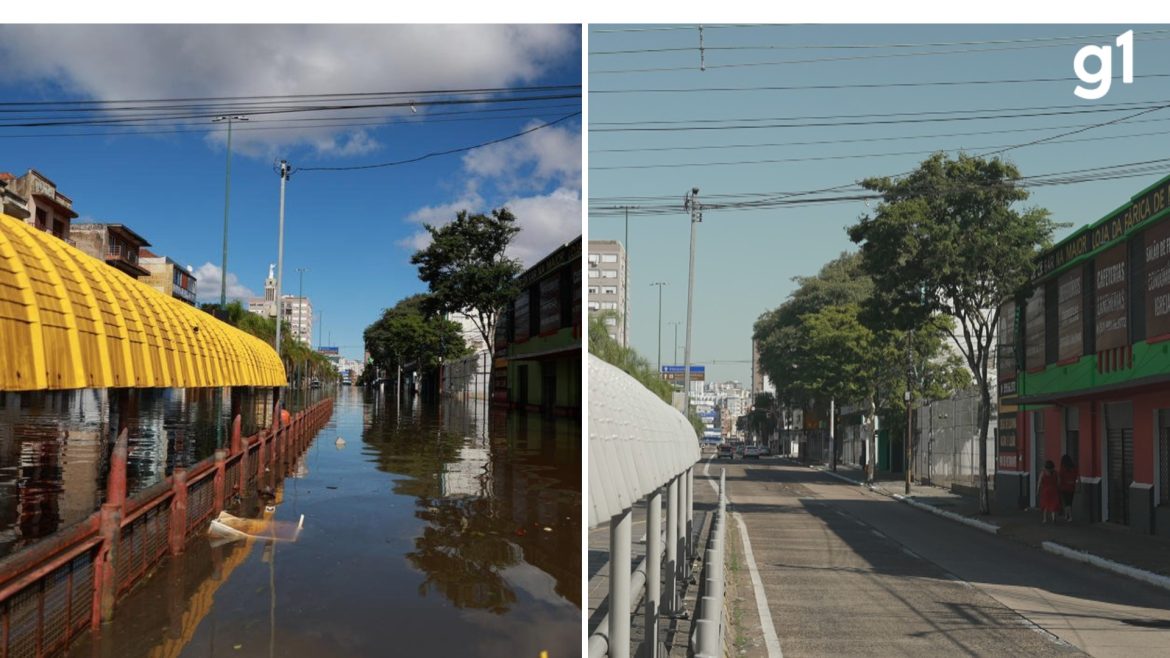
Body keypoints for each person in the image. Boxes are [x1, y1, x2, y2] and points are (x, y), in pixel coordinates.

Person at [1037, 459, 1061, 524]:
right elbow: (1059, 482)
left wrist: (1038, 491)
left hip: (1045, 491)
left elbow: (1039, 483)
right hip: (1054, 491)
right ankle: (1053, 518)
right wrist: (1058, 489)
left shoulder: (1043, 473)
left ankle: (1045, 519)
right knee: (1053, 505)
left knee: (1045, 505)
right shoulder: (1056, 473)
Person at [1058, 454, 1079, 522]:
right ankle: (1067, 515)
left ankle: (1069, 516)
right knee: (1069, 502)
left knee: (1066, 503)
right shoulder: (1074, 468)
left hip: (1064, 487)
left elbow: (1060, 477)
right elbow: (1077, 476)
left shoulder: (1063, 468)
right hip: (1072, 487)